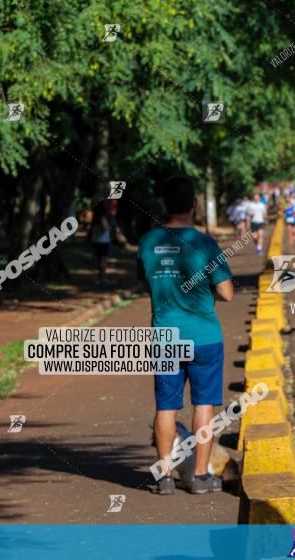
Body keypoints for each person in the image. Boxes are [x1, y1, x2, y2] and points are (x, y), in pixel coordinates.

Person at [137, 174, 235, 495]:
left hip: (166, 336)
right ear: (194, 204)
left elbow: (146, 282)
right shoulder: (205, 244)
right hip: (204, 336)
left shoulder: (148, 241)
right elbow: (227, 293)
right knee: (204, 405)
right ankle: (201, 477)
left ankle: (164, 477)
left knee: (166, 406)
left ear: (165, 205)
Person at [89, 206, 113, 284]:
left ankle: (98, 278)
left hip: (95, 241)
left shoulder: (94, 218)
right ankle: (103, 278)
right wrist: (109, 227)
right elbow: (105, 228)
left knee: (97, 260)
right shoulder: (102, 217)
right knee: (103, 261)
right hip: (103, 242)